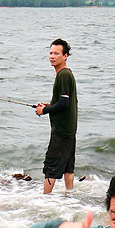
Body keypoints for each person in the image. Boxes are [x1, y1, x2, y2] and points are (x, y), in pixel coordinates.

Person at [35, 39, 78, 194]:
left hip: (61, 131)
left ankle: (45, 200)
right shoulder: (66, 74)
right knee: (68, 165)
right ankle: (69, 195)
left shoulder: (63, 75)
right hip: (69, 130)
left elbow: (64, 103)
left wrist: (44, 111)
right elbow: (61, 101)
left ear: (65, 56)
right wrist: (49, 105)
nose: (52, 56)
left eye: (56, 53)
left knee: (51, 166)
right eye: (51, 53)